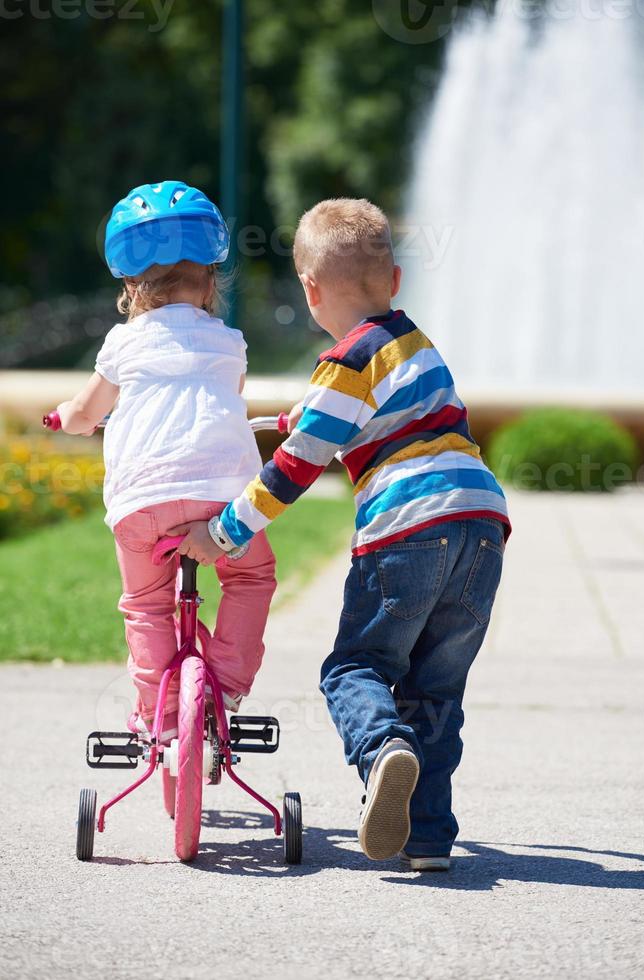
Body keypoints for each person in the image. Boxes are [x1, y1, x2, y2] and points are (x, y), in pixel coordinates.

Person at [167, 197, 510, 870]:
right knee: (435, 692)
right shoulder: (415, 344)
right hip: (481, 529)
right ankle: (428, 838)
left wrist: (223, 533)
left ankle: (381, 748)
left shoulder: (343, 364)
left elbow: (294, 468)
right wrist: (309, 411)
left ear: (312, 290)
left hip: (406, 530)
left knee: (356, 667)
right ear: (396, 283)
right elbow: (376, 412)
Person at [55, 181, 276, 743]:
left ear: (131, 285)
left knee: (147, 605)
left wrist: (66, 417)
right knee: (250, 576)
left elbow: (86, 414)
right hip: (224, 496)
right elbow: (230, 396)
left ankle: (157, 712)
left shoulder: (121, 344)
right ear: (209, 282)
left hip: (142, 501)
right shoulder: (230, 341)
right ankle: (225, 687)